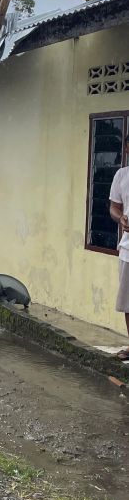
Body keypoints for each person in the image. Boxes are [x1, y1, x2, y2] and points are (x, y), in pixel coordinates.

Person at [109, 143, 129, 358]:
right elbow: (114, 207)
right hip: (127, 247)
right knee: (128, 301)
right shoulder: (122, 175)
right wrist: (120, 217)